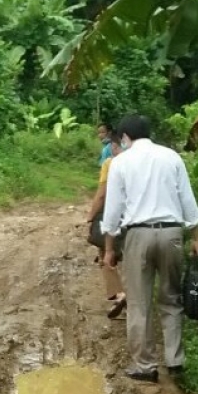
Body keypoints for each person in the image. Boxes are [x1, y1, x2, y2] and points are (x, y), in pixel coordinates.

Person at [100, 113, 198, 382]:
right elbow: (187, 199)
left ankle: (145, 366)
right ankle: (175, 360)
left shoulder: (120, 163)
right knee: (171, 297)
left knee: (138, 302)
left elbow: (112, 212)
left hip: (138, 236)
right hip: (171, 234)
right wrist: (196, 237)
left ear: (124, 137)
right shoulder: (172, 157)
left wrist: (109, 249)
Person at [85, 132, 126, 318]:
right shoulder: (140, 162)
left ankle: (120, 293)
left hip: (113, 215)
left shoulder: (110, 164)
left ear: (115, 146)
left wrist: (91, 216)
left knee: (105, 252)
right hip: (137, 218)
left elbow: (102, 194)